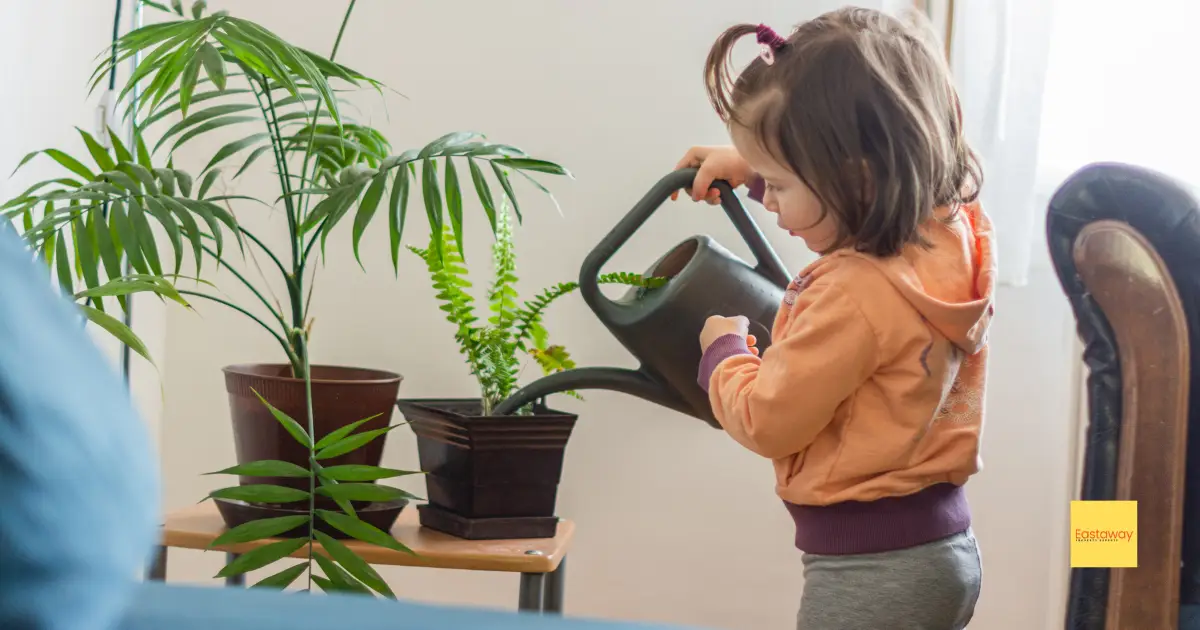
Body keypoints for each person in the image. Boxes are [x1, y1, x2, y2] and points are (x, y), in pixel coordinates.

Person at [677, 8, 995, 630]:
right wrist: (763, 164)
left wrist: (726, 351)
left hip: (870, 573)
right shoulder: (957, 232)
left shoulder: (850, 295)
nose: (770, 204)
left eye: (779, 185)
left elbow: (768, 421)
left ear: (857, 178)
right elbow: (920, 140)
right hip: (940, 552)